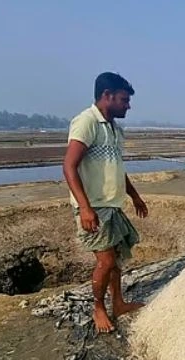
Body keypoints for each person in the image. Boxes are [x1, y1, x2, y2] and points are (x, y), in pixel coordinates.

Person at [63, 72, 148, 334]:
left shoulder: (113, 129)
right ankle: (99, 308)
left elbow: (116, 168)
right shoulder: (86, 122)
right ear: (107, 96)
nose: (128, 105)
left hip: (112, 205)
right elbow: (69, 166)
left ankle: (119, 303)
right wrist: (85, 208)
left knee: (116, 260)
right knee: (106, 261)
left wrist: (134, 195)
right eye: (124, 99)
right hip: (95, 206)